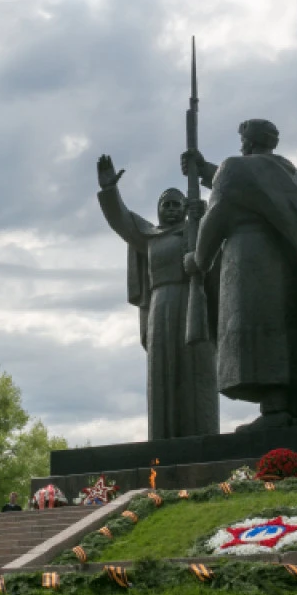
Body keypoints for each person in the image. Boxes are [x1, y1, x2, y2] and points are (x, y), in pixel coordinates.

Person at [181, 119, 297, 430]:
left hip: (248, 259)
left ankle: (275, 410)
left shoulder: (236, 169)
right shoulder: (286, 171)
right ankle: (289, 406)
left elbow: (219, 210)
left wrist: (198, 258)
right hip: (283, 262)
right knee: (281, 331)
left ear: (247, 143)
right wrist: (203, 168)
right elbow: (244, 181)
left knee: (256, 332)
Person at [96, 155, 219, 439]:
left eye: (178, 205)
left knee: (196, 368)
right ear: (158, 209)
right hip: (160, 307)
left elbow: (218, 247)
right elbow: (122, 220)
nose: (172, 210)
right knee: (162, 373)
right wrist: (109, 191)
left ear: (186, 208)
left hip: (192, 302)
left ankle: (202, 434)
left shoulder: (197, 230)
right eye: (167, 205)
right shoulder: (149, 236)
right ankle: (162, 438)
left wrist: (203, 218)